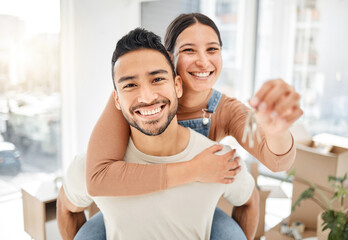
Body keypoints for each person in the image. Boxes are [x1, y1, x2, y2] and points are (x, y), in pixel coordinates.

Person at [84, 13, 302, 240]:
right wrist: (194, 169)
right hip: (135, 199)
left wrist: (278, 130)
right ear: (168, 57)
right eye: (189, 50)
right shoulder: (141, 99)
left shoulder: (226, 110)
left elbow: (278, 161)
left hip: (195, 211)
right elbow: (99, 177)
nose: (203, 61)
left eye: (212, 49)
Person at [57, 27, 256, 240]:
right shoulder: (90, 168)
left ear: (177, 86)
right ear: (117, 100)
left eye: (157, 79)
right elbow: (67, 208)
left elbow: (249, 201)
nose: (146, 96)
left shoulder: (218, 161)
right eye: (130, 85)